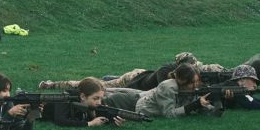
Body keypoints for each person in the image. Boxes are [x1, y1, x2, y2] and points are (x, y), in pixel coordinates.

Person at [37, 52, 225, 91]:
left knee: (109, 81)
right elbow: (163, 89)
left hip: (140, 76)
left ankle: (110, 77)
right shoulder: (166, 71)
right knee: (95, 86)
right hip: (133, 79)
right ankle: (51, 84)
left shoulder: (186, 74)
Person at [103, 63, 220, 119]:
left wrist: (214, 105)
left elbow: (197, 105)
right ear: (181, 80)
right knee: (103, 95)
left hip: (141, 96)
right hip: (133, 104)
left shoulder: (187, 88)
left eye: (197, 82)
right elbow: (169, 114)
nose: (195, 86)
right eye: (192, 83)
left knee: (108, 90)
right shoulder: (169, 87)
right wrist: (195, 105)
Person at [43, 77, 125, 127]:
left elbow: (103, 113)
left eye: (100, 98)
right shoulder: (65, 98)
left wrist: (114, 120)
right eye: (95, 98)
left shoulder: (94, 103)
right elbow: (60, 120)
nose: (99, 102)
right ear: (82, 96)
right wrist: (90, 124)